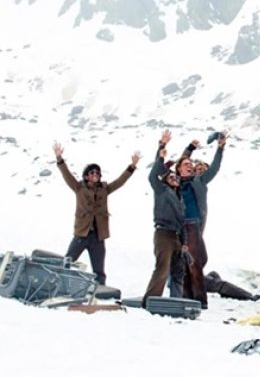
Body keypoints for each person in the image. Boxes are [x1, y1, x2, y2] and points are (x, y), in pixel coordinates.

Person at [52, 142, 140, 285]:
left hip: (98, 236)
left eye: (98, 173)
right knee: (67, 261)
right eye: (92, 172)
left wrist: (132, 166)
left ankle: (100, 292)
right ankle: (57, 284)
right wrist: (59, 158)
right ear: (86, 176)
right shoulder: (79, 187)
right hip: (82, 234)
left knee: (99, 270)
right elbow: (66, 174)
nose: (96, 175)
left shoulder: (104, 190)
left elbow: (120, 181)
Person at [167, 134, 226, 307]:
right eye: (187, 165)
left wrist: (220, 148)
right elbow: (181, 161)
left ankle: (200, 299)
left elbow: (214, 168)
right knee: (182, 263)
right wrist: (190, 148)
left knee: (195, 262)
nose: (190, 166)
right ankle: (186, 297)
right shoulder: (174, 181)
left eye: (191, 165)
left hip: (192, 225)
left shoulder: (198, 181)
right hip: (178, 226)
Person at [144, 130, 188, 302]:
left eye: (176, 177)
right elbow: (153, 174)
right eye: (171, 177)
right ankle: (151, 299)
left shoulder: (179, 198)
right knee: (162, 268)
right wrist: (161, 149)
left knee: (178, 271)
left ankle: (176, 300)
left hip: (176, 235)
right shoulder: (161, 190)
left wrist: (184, 242)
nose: (174, 178)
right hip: (163, 233)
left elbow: (182, 222)